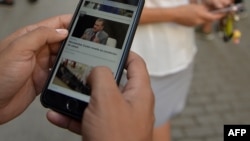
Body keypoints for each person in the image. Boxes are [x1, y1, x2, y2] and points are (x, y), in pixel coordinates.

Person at [0, 14, 155, 141]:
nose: (94, 27)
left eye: (97, 26)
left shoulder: (105, 35)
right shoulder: (87, 30)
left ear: (102, 27)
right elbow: (81, 39)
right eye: (94, 24)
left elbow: (98, 45)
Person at [125, 0, 233, 141]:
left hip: (181, 57)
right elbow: (112, 9)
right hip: (141, 65)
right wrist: (175, 14)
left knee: (161, 119)